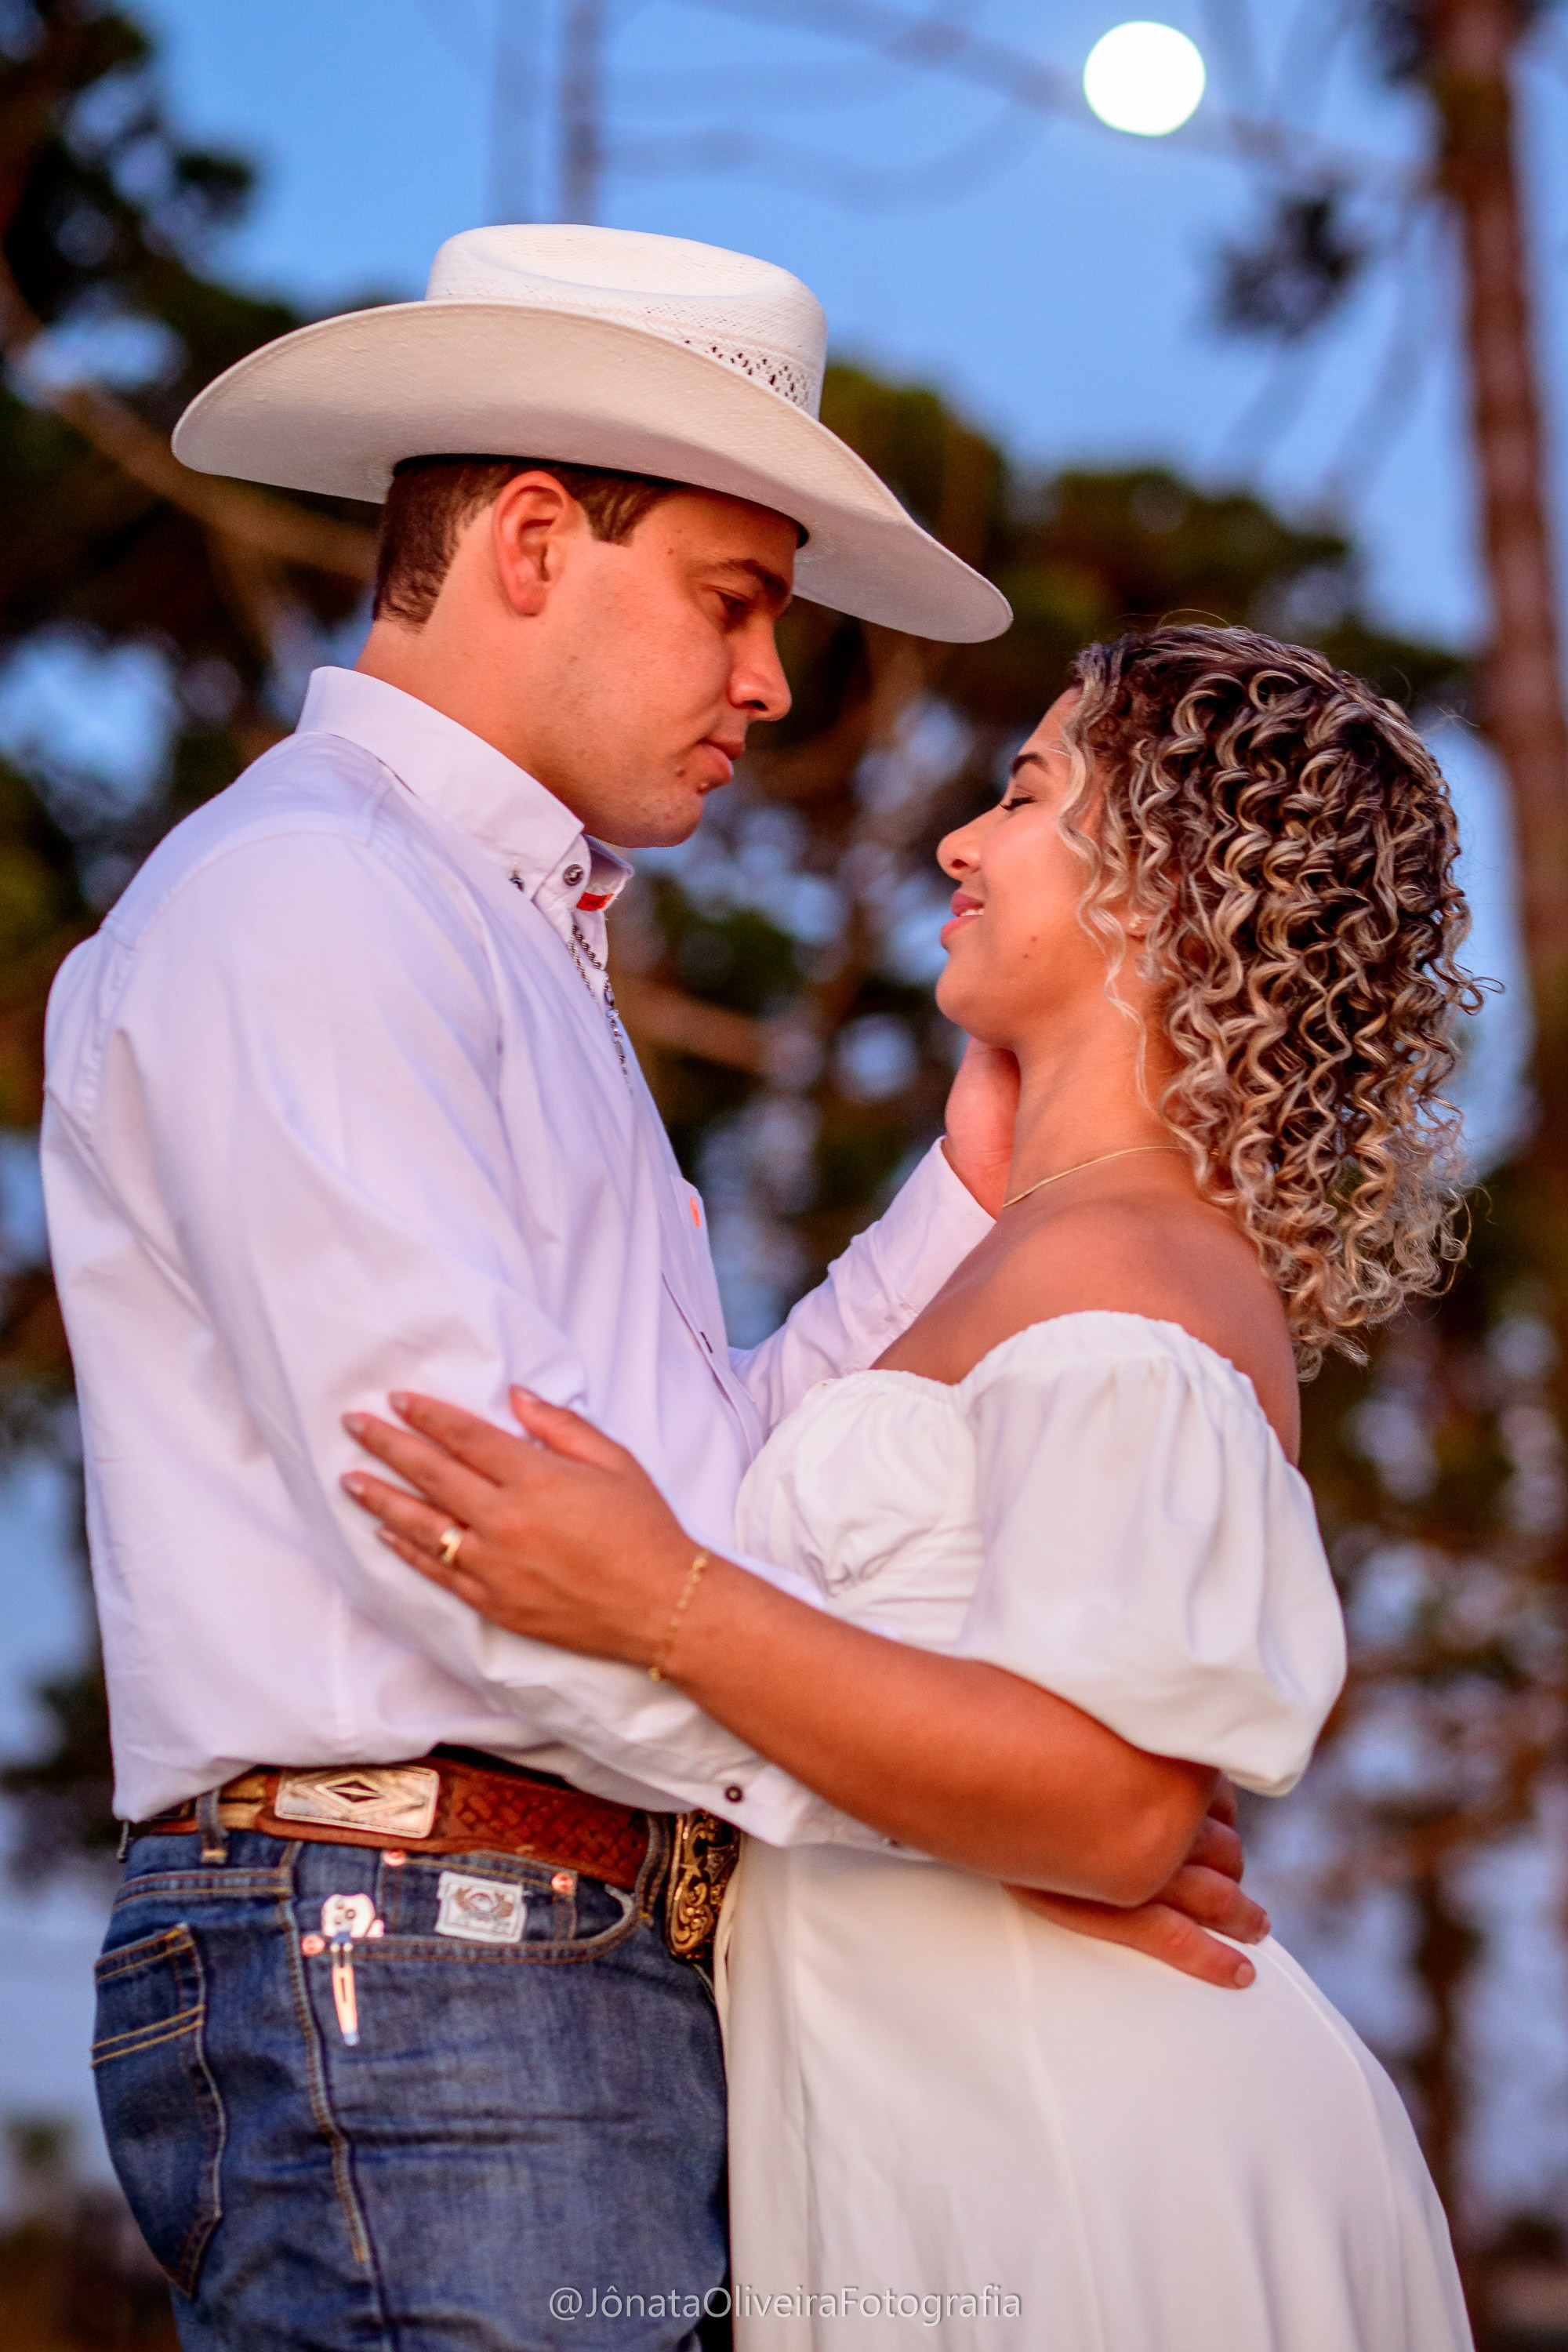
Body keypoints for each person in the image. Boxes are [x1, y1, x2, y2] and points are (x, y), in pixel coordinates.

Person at [44, 229, 1257, 2352]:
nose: (775, 683)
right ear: (531, 541)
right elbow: (485, 1550)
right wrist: (1006, 1823)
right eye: (737, 599)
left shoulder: (492, 938)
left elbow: (669, 1526)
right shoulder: (316, 905)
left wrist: (968, 1185)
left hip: (521, 1963)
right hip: (418, 1962)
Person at [343, 624, 1479, 2350]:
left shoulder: (1130, 1265)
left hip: (1074, 2152)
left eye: (1024, 793)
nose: (960, 840)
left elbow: (1112, 1808)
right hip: (946, 2133)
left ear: (1165, 887)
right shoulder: (1041, 1244)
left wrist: (659, 1600)